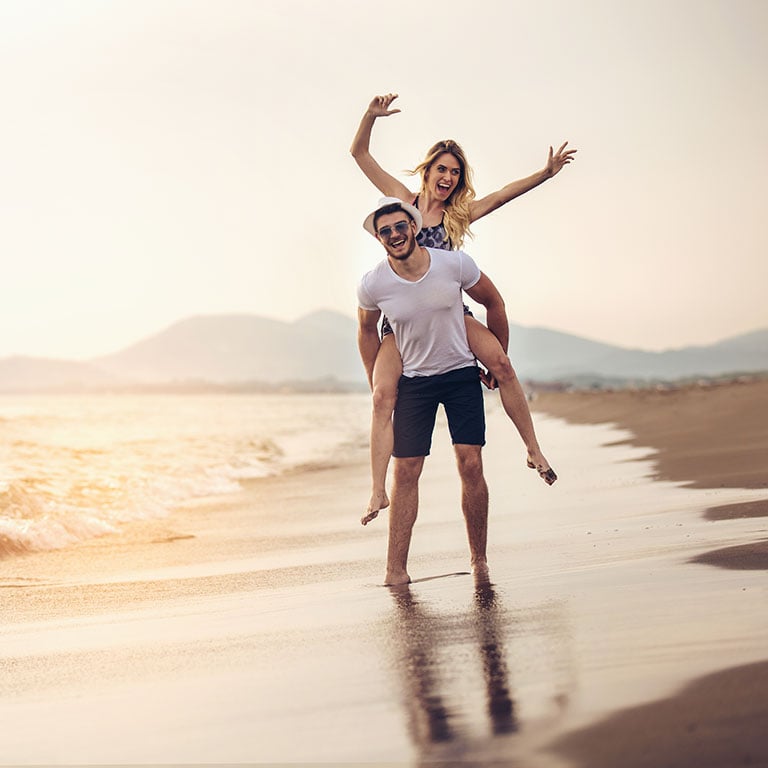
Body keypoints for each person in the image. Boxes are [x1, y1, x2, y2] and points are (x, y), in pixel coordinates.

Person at [351, 93, 575, 522]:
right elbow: (360, 154)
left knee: (503, 365)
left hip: (452, 315)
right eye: (442, 169)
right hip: (403, 325)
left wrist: (545, 175)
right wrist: (370, 117)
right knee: (382, 396)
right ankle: (378, 491)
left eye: (455, 173)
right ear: (428, 170)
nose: (448, 178)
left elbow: (505, 194)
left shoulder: (460, 216)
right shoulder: (403, 202)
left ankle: (533, 449)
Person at [358, 197, 517, 585]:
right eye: (386, 231)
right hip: (413, 375)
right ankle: (395, 570)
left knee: (471, 463)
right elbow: (365, 330)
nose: (394, 234)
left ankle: (479, 560)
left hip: (458, 364)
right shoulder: (373, 283)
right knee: (407, 469)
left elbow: (492, 300)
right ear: (379, 239)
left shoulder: (452, 260)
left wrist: (498, 354)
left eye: (399, 227)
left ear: (413, 227)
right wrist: (375, 378)